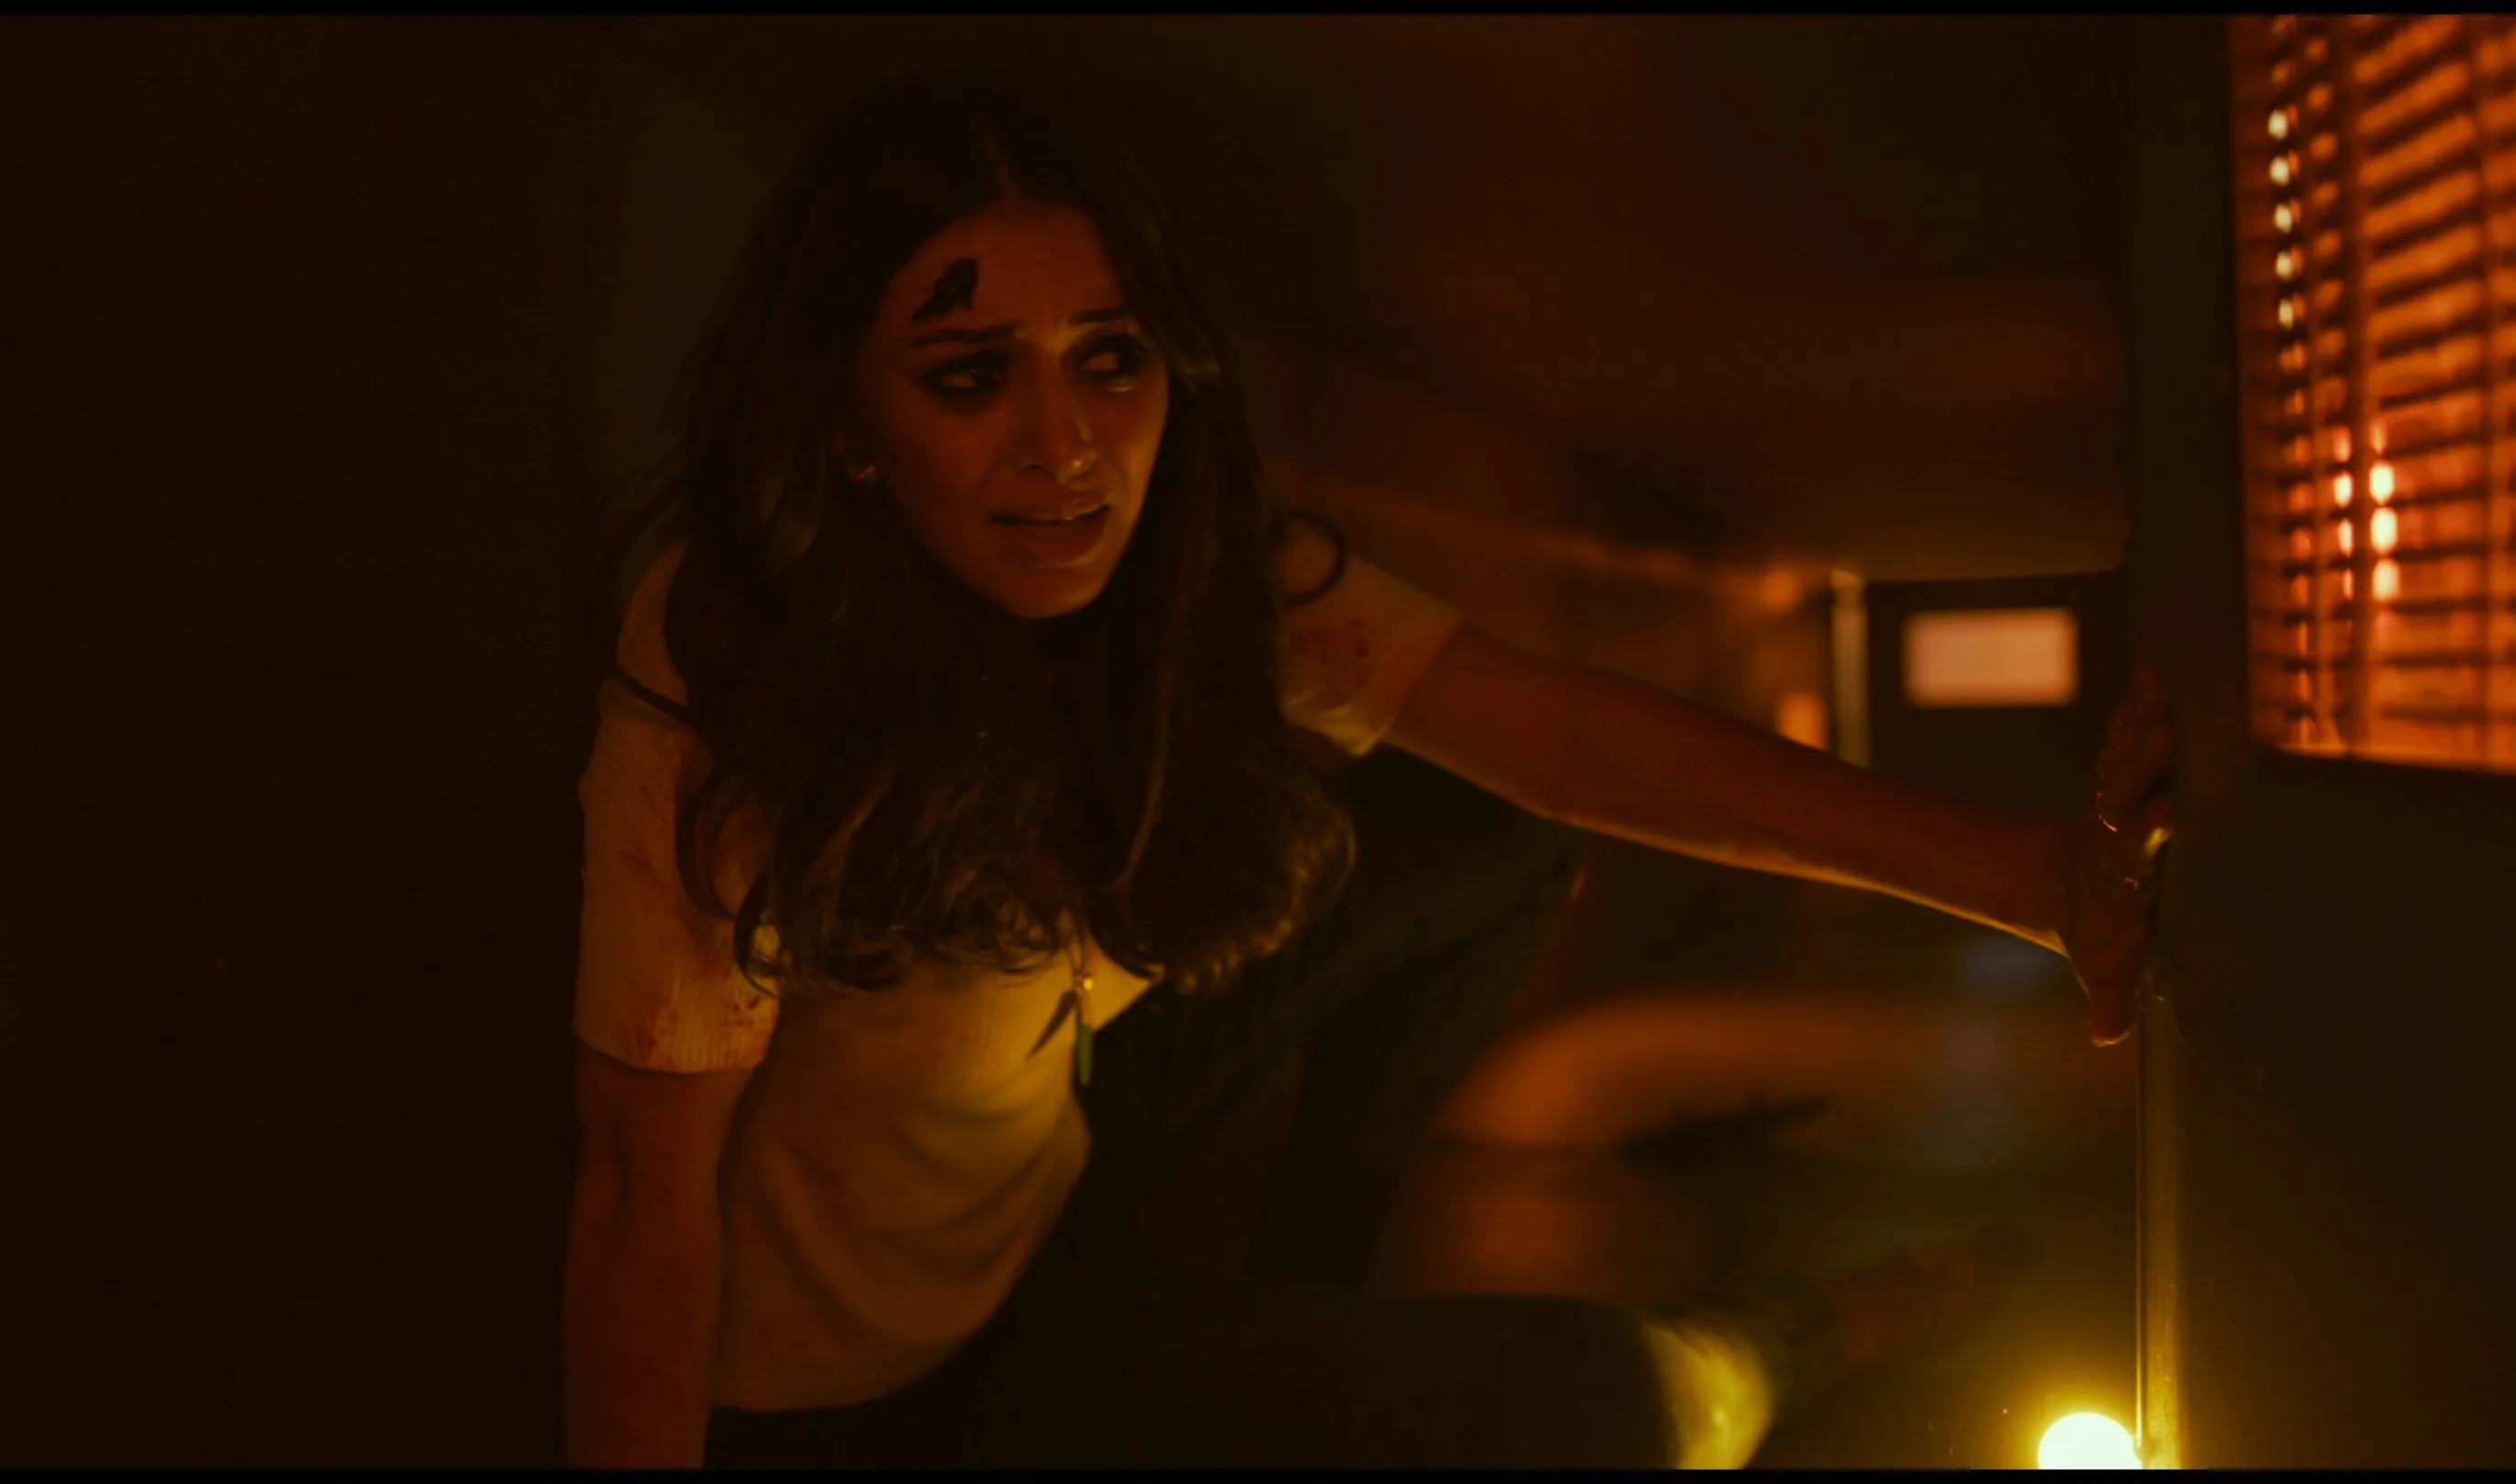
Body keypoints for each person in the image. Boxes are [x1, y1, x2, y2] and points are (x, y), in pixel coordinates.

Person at [561, 70, 2176, 1469]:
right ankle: (1789, 1335)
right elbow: (644, 1193)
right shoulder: (740, 660)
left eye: (1107, 359)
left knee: (1497, 823)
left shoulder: (1199, 584)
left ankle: (1310, 1280)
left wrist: (2039, 882)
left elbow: (1563, 737)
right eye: (971, 374)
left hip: (1059, 1144)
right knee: (1609, 1404)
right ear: (846, 424)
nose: (1064, 446)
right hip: (900, 1382)